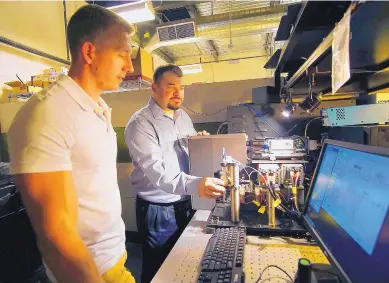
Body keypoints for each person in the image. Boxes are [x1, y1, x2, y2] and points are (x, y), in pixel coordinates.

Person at [7, 5, 136, 283]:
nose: (130, 66)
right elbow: (56, 235)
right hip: (89, 271)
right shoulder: (47, 113)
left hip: (115, 258)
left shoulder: (96, 108)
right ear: (89, 52)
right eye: (122, 54)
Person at [124, 64, 226, 283]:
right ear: (154, 88)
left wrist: (199, 143)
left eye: (181, 87)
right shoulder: (141, 124)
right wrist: (197, 185)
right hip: (158, 210)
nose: (178, 92)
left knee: (183, 264)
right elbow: (159, 173)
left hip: (184, 202)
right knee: (158, 270)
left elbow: (185, 156)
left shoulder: (183, 118)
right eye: (171, 86)